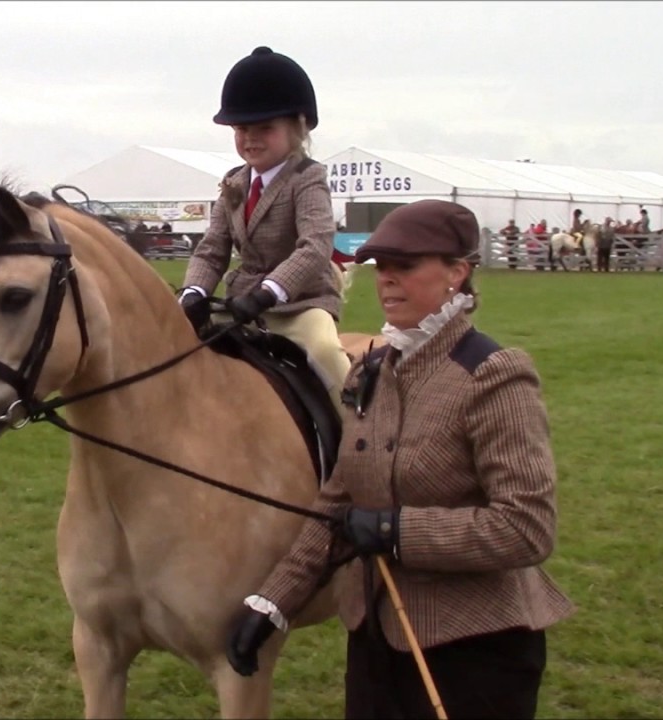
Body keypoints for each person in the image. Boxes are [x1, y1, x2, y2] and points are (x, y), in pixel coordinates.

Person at [223, 199, 574, 719]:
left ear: (457, 273)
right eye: (381, 267)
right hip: (375, 639)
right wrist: (273, 603)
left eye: (405, 266)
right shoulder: (371, 371)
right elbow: (338, 501)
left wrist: (395, 532)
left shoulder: (493, 375)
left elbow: (527, 527)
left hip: (476, 649)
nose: (386, 279)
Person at [178, 46, 350, 404]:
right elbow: (212, 250)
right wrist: (193, 293)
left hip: (298, 306)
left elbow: (315, 246)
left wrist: (270, 291)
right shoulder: (234, 181)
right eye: (242, 129)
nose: (250, 138)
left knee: (326, 353)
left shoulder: (307, 178)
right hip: (240, 305)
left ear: (298, 127)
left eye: (265, 128)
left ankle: (355, 428)